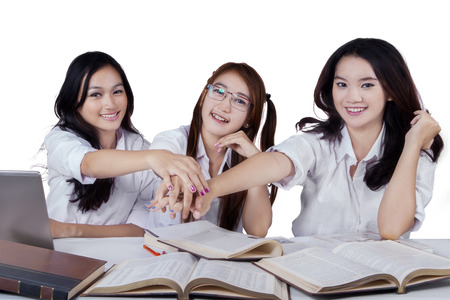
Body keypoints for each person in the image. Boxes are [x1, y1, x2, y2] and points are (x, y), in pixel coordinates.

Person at [157, 38, 444, 240]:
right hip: (313, 276)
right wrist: (208, 190)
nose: (352, 97)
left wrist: (412, 143)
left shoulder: (416, 152)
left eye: (367, 85)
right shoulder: (318, 142)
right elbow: (275, 163)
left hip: (382, 281)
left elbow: (392, 229)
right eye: (341, 84)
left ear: (391, 90)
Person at [45, 51, 208, 238]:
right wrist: (152, 158)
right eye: (96, 94)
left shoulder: (139, 148)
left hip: (114, 258)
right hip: (58, 254)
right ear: (75, 102)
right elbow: (89, 164)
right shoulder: (61, 139)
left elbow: (138, 228)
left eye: (117, 91)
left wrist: (71, 231)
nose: (110, 104)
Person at [148, 62, 277, 237]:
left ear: (249, 118)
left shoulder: (245, 158)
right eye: (219, 92)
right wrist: (177, 177)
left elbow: (258, 230)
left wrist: (256, 161)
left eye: (239, 101)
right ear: (203, 97)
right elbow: (160, 158)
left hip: (222, 262)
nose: (225, 107)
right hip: (165, 257)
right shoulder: (174, 139)